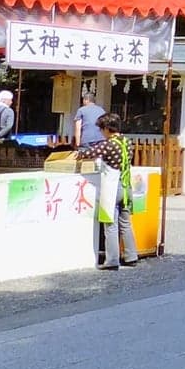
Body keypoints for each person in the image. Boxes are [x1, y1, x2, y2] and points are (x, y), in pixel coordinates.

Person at [79, 111, 139, 268]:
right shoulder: (127, 142)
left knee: (110, 224)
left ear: (107, 128)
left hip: (112, 189)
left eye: (101, 129)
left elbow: (89, 153)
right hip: (126, 187)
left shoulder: (108, 144)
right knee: (125, 223)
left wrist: (78, 153)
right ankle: (131, 256)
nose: (100, 132)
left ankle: (112, 260)